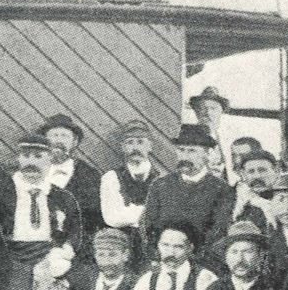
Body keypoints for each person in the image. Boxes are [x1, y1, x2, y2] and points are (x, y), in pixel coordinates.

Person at [1, 134, 82, 290]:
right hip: (12, 256)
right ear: (18, 159)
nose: (31, 162)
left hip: (48, 256)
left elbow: (75, 230)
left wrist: (66, 250)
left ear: (50, 160)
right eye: (26, 156)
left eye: (38, 157)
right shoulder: (1, 193)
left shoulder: (62, 197)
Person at [140, 124, 229, 259]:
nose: (185, 157)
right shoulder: (160, 185)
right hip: (164, 258)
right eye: (181, 150)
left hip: (202, 260)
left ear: (206, 154)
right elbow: (148, 225)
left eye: (192, 151)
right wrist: (157, 255)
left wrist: (195, 257)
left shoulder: (220, 188)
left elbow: (219, 230)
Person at [37, 114, 101, 252]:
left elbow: (92, 218)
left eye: (64, 136)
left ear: (74, 142)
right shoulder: (30, 172)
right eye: (54, 135)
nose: (58, 141)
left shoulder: (89, 175)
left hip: (77, 249)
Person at [99, 120, 159, 266]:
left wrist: (128, 211)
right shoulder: (111, 178)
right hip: (121, 247)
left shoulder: (163, 180)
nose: (135, 148)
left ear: (150, 146)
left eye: (140, 142)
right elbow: (111, 218)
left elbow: (165, 216)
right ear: (122, 147)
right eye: (130, 142)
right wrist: (148, 212)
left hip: (154, 246)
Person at [189, 86, 235, 184]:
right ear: (196, 112)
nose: (208, 113)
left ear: (221, 112)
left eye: (213, 108)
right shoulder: (187, 138)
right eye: (203, 108)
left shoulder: (226, 141)